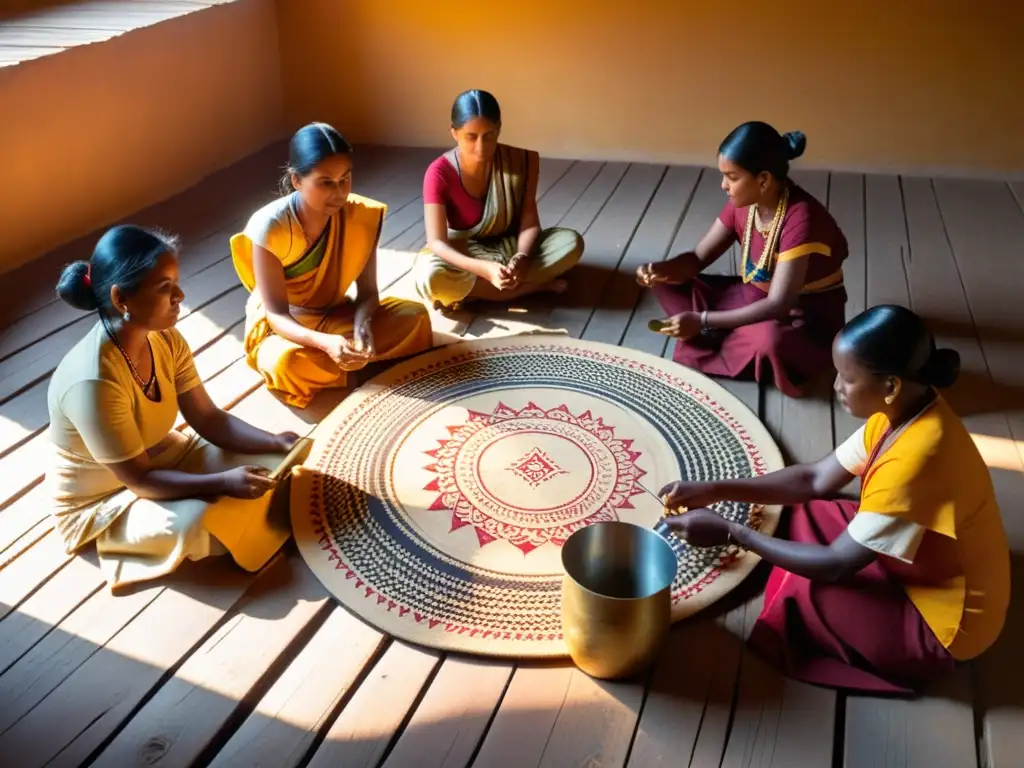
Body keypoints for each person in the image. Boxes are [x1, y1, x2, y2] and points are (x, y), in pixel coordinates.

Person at [659, 305, 1010, 693]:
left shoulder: (918, 457)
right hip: (921, 561)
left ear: (890, 385)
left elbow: (835, 566)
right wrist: (716, 487)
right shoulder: (905, 409)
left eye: (847, 378)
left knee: (800, 593)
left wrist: (732, 532)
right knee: (808, 512)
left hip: (944, 622)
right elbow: (813, 479)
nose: (836, 387)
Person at [48, 225, 302, 589]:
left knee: (276, 466)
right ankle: (122, 540)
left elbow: (208, 417)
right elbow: (138, 480)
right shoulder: (93, 383)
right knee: (202, 521)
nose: (180, 295)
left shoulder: (164, 338)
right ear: (122, 299)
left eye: (176, 283)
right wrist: (222, 483)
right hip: (105, 497)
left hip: (158, 455)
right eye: (165, 288)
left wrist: (275, 442)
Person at [637, 121, 848, 397]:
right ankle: (721, 330)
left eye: (732, 177)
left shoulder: (801, 218)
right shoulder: (746, 204)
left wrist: (702, 320)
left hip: (800, 312)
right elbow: (698, 258)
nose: (724, 185)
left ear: (763, 180)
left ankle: (713, 333)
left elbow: (778, 304)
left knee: (769, 341)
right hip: (752, 295)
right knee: (666, 284)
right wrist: (660, 270)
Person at [230, 122, 432, 408]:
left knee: (415, 317)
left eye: (345, 180)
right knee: (286, 364)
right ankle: (363, 367)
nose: (339, 193)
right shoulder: (269, 227)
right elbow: (276, 314)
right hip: (290, 327)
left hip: (338, 314)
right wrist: (325, 343)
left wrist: (363, 326)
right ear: (296, 180)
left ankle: (349, 366)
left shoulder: (359, 216)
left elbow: (368, 292)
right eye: (326, 182)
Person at [415, 89, 584, 311]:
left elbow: (529, 222)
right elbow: (437, 242)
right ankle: (528, 288)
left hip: (508, 246)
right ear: (454, 133)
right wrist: (486, 269)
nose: (481, 147)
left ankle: (478, 292)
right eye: (471, 137)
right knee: (431, 278)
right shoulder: (438, 173)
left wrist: (521, 257)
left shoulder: (521, 161)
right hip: (465, 251)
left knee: (571, 244)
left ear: (499, 129)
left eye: (489, 136)